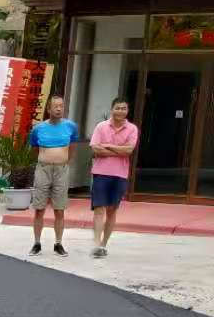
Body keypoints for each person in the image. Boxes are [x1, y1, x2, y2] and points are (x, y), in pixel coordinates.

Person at [28, 95, 80, 257]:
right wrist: (46, 159)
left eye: (61, 106)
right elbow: (34, 148)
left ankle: (58, 243)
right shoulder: (38, 128)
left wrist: (65, 161)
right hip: (43, 169)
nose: (58, 109)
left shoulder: (71, 126)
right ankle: (37, 243)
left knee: (59, 209)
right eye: (55, 106)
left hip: (61, 170)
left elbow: (72, 147)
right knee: (39, 209)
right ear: (48, 109)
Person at [88, 98, 140, 257]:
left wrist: (108, 146)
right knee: (99, 209)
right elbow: (95, 149)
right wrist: (119, 151)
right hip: (101, 173)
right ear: (112, 109)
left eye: (124, 108)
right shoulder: (101, 126)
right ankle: (96, 244)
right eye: (118, 108)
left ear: (127, 111)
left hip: (120, 175)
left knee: (112, 211)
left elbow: (129, 151)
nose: (120, 111)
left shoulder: (132, 128)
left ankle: (104, 245)